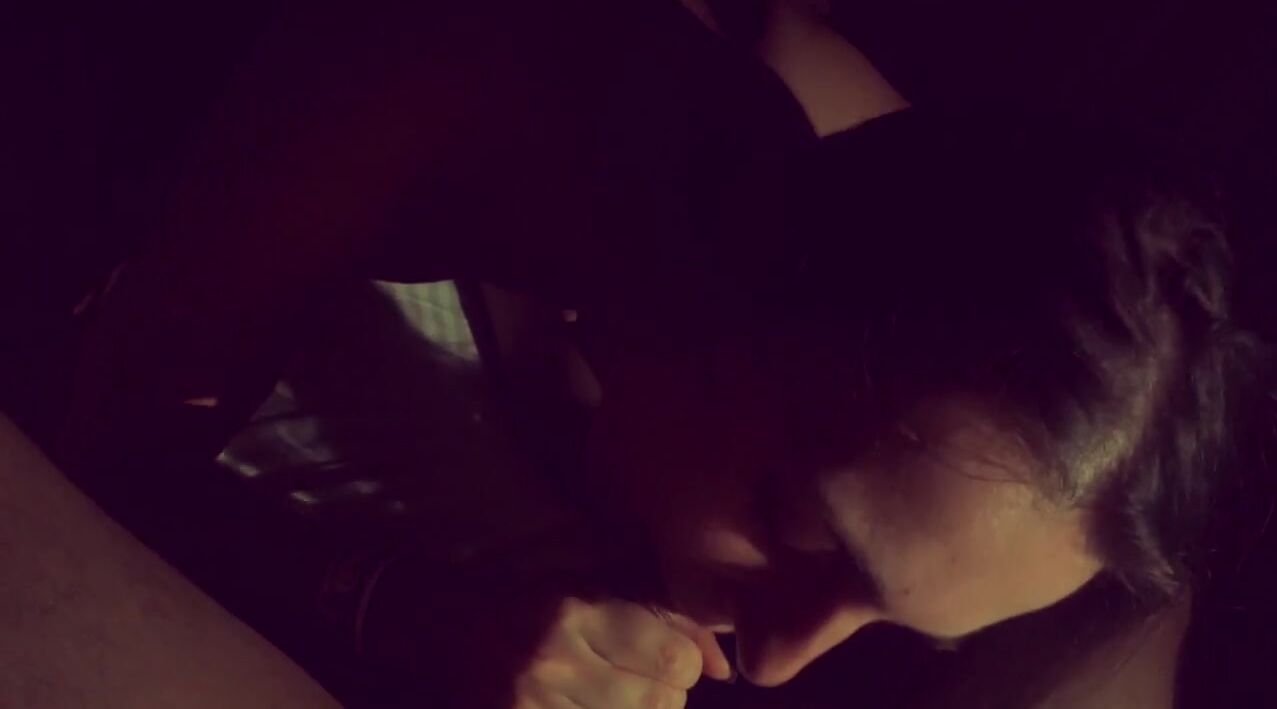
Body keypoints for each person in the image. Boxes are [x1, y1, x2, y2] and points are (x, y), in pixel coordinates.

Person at [50, 0, 1267, 708]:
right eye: (793, 524)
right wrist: (403, 610)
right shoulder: (437, 80)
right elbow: (93, 456)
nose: (769, 663)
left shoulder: (959, 275)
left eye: (892, 621)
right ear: (736, 281)